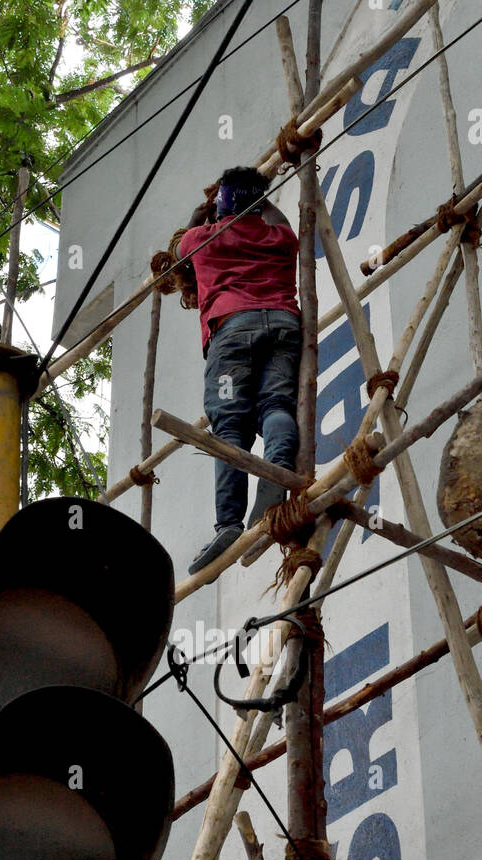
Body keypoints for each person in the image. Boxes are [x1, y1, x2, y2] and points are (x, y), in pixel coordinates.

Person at [178, 166, 301, 576]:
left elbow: (181, 245)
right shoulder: (281, 239)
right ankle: (276, 471)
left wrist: (207, 211)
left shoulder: (203, 239)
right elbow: (280, 221)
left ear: (223, 203)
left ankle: (228, 524)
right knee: (277, 405)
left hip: (232, 334)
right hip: (283, 326)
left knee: (230, 425)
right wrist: (260, 200)